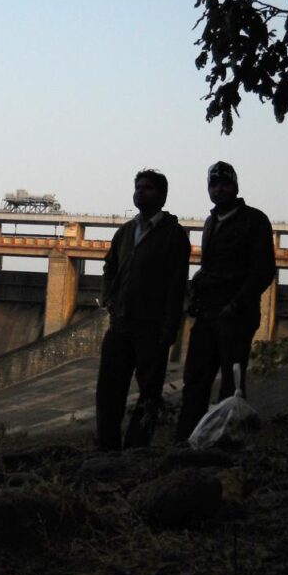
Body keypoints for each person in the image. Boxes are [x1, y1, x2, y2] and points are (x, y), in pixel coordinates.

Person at [174, 161, 276, 442]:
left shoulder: (254, 220)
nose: (219, 189)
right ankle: (188, 440)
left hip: (236, 318)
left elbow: (264, 270)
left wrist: (237, 305)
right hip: (207, 315)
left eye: (225, 183)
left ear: (236, 186)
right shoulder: (210, 223)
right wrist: (196, 293)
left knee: (232, 386)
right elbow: (208, 268)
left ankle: (227, 443)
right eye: (214, 184)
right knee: (195, 381)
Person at [96, 169, 191, 451]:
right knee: (109, 391)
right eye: (138, 187)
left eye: (148, 188)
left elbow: (177, 284)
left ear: (161, 196)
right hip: (121, 325)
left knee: (149, 394)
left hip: (152, 328)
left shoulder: (173, 235)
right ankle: (107, 448)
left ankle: (137, 448)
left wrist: (169, 328)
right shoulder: (126, 231)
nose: (140, 192)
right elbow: (109, 267)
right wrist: (107, 297)